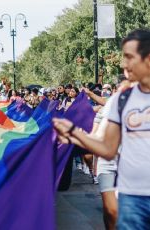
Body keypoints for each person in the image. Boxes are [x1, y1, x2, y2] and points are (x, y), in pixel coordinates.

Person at [53, 29, 150, 229]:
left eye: (130, 57)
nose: (124, 64)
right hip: (132, 195)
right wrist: (74, 133)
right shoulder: (120, 100)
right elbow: (107, 147)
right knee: (112, 216)